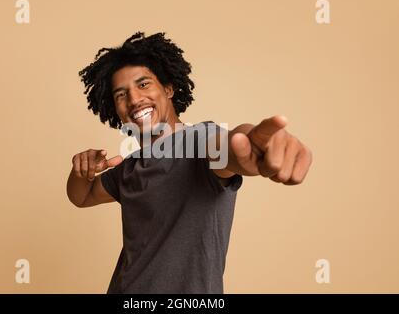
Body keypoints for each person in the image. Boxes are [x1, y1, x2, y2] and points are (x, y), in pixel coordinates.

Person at [66, 32, 313, 293]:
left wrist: (253, 145)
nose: (134, 99)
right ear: (116, 110)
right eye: (121, 95)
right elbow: (80, 197)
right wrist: (81, 170)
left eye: (144, 84)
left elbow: (229, 145)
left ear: (169, 89)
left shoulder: (200, 141)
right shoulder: (129, 166)